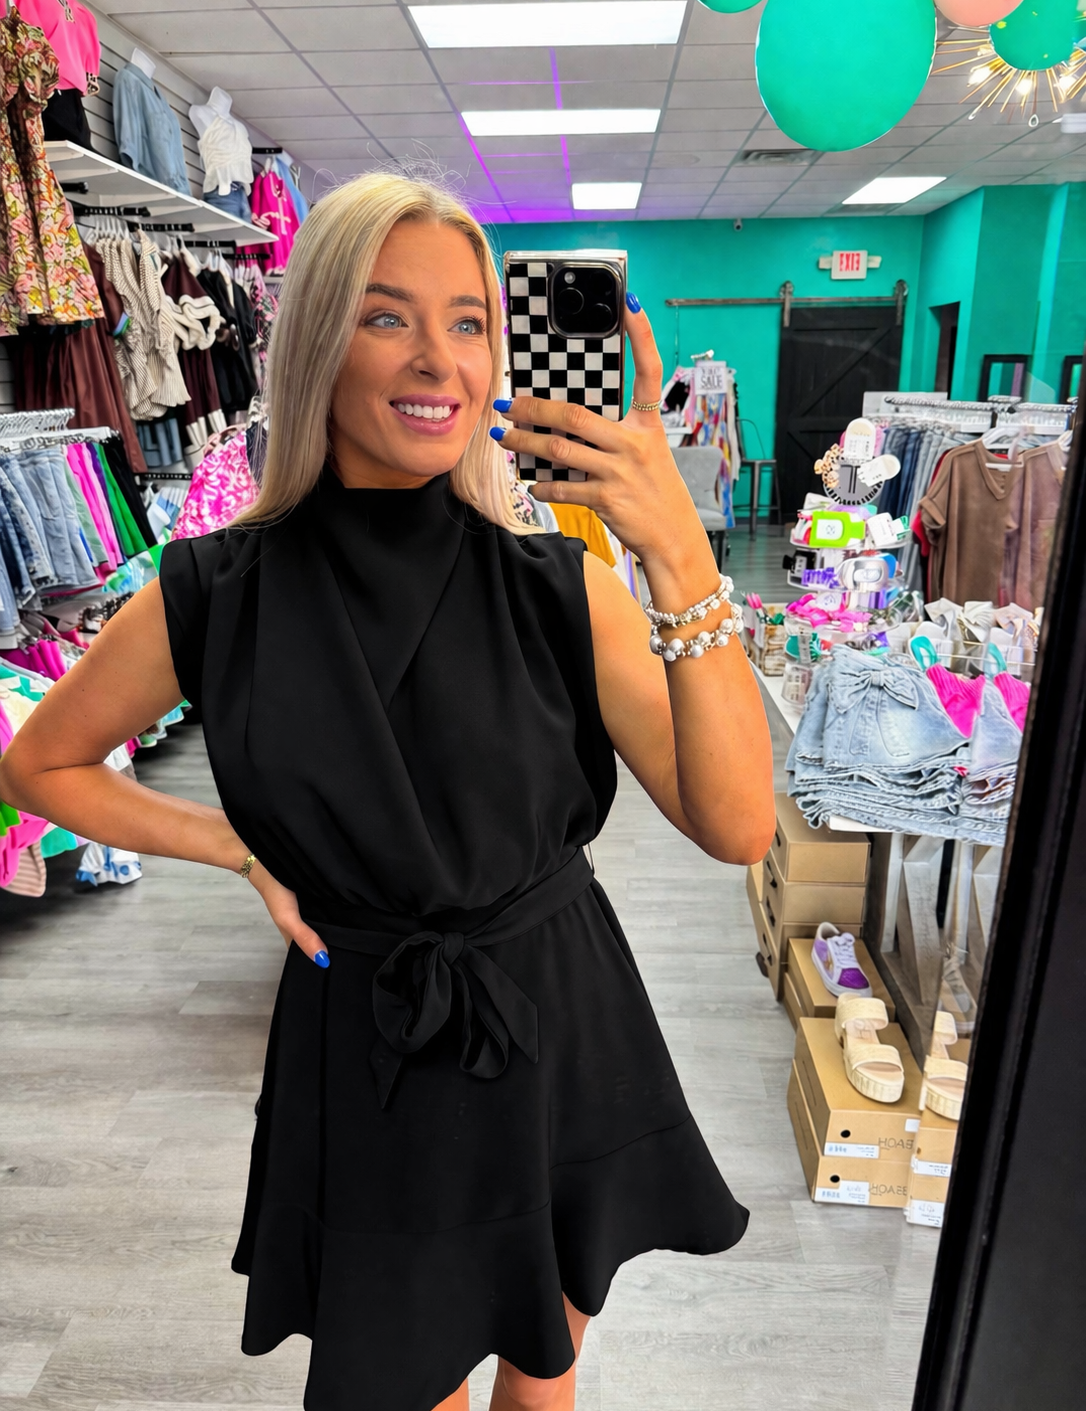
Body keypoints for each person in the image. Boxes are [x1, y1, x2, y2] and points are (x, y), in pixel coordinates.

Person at [0, 174, 774, 1411]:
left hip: (556, 1007)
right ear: (319, 338)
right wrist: (238, 850)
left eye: (469, 321)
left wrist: (678, 551)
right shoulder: (216, 591)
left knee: (546, 1353)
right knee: (407, 1370)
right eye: (385, 315)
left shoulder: (557, 586)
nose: (438, 359)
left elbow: (737, 826)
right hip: (371, 1032)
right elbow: (39, 762)